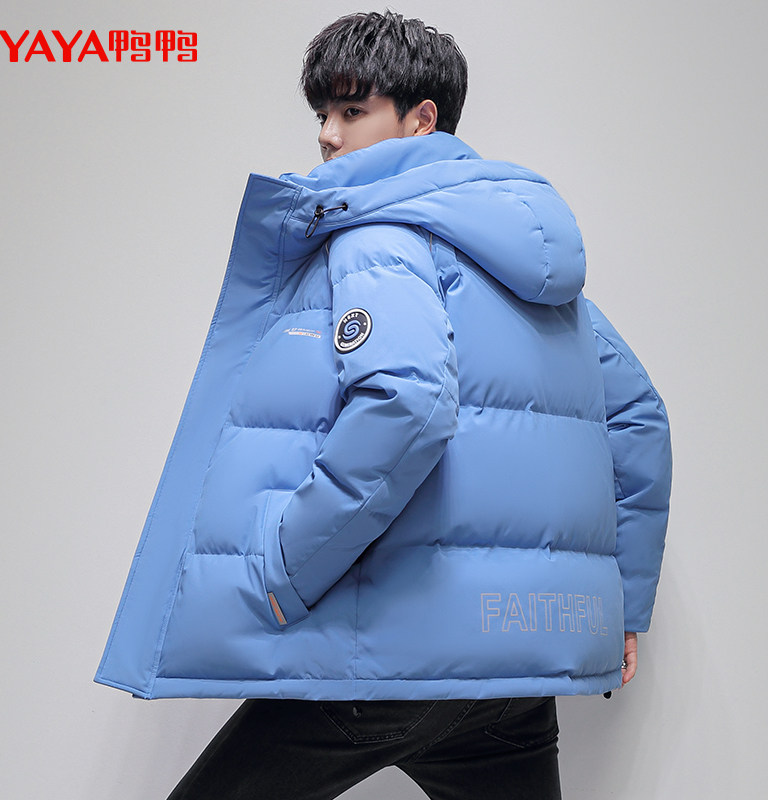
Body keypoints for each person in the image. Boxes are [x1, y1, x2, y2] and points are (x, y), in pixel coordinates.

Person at [95, 11, 672, 799]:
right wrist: (621, 606)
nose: (327, 135)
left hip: (389, 661)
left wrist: (289, 569)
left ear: (421, 118)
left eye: (351, 110)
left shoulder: (379, 237)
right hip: (512, 678)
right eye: (321, 114)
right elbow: (638, 418)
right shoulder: (535, 272)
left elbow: (406, 403)